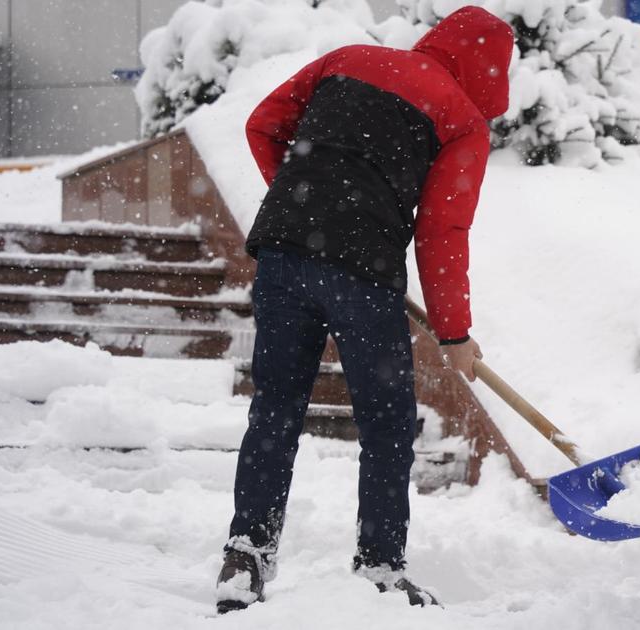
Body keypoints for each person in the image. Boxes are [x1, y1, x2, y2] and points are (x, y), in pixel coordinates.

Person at [214, 6, 514, 614]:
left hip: (281, 253)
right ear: (491, 70)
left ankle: (245, 556)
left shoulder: (347, 59)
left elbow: (264, 125)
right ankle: (380, 566)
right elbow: (441, 232)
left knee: (275, 408)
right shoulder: (461, 120)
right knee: (385, 424)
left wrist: (304, 205)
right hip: (361, 274)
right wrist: (454, 334)